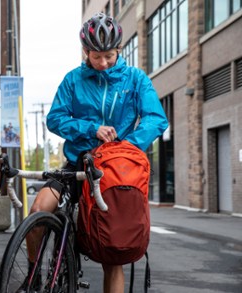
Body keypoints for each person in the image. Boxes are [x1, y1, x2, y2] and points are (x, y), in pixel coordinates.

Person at [21, 13, 169, 293]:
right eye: (96, 56)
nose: (103, 63)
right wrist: (92, 129)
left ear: (118, 51)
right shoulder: (73, 80)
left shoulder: (135, 80)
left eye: (109, 56)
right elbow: (55, 118)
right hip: (76, 163)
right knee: (38, 210)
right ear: (86, 52)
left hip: (114, 170)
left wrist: (125, 148)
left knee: (112, 255)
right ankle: (33, 276)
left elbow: (155, 118)